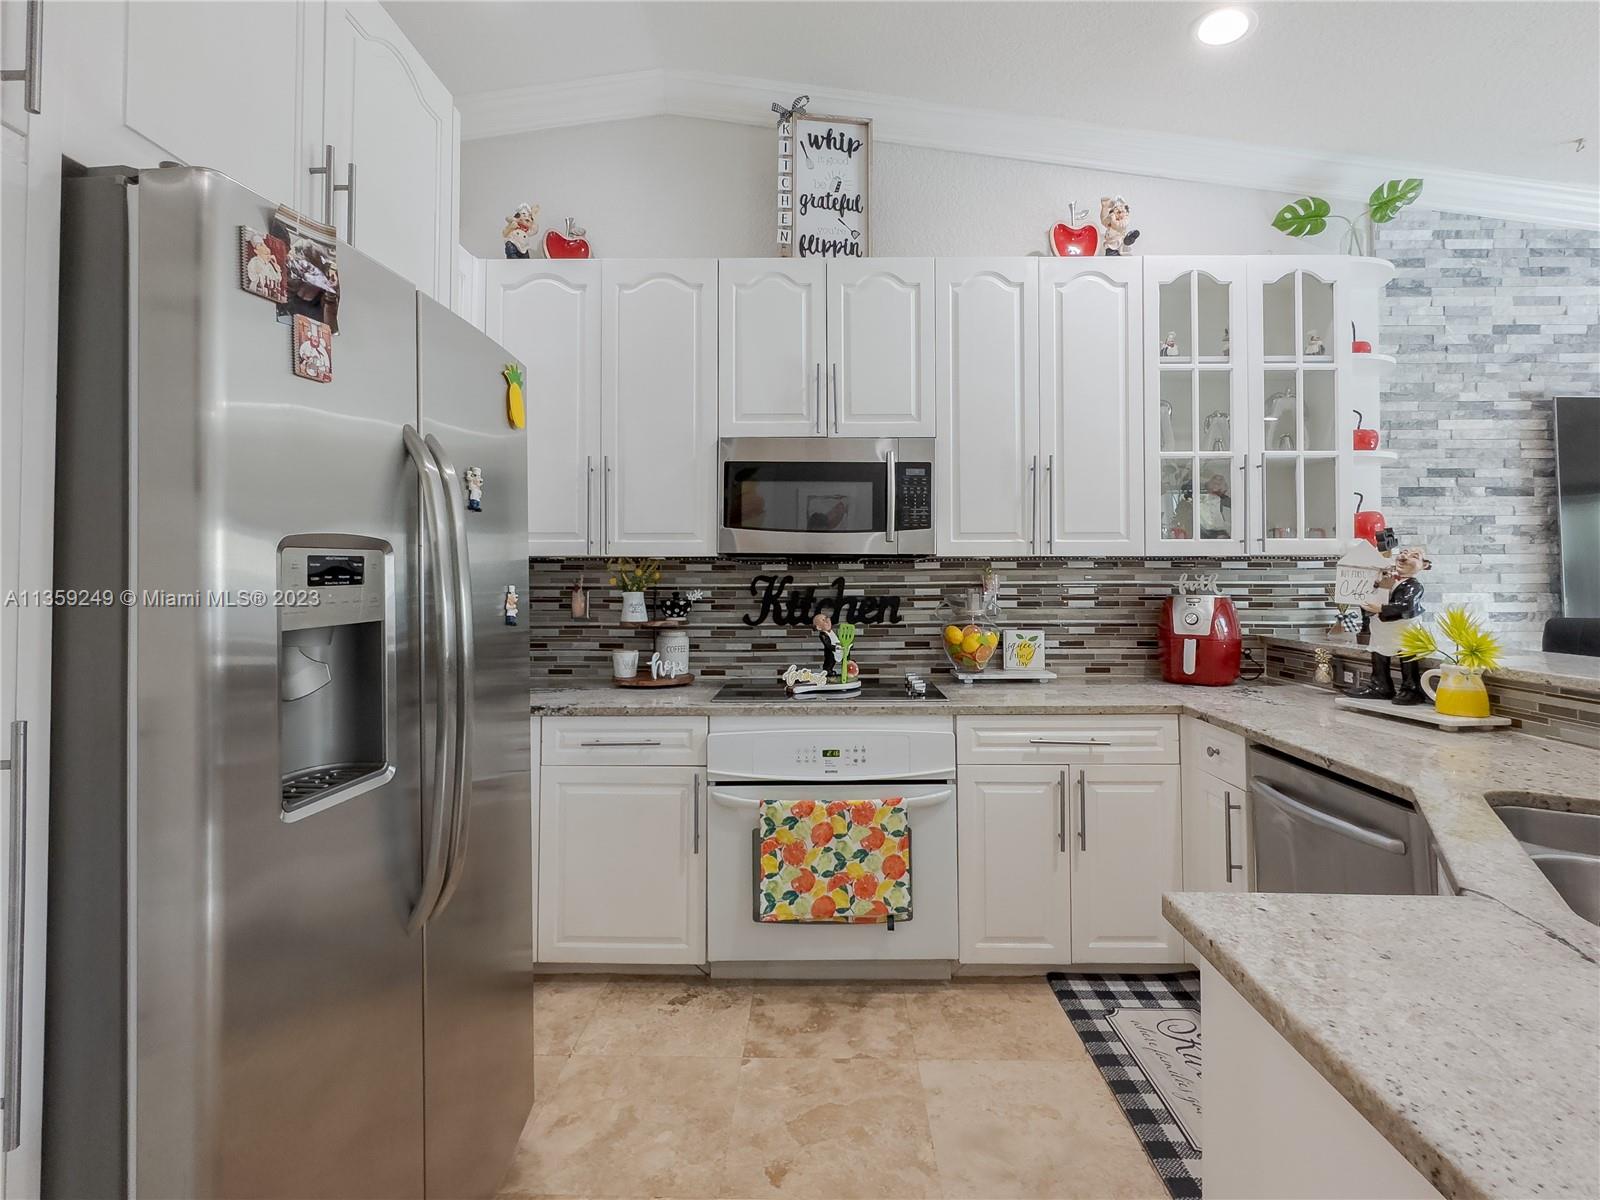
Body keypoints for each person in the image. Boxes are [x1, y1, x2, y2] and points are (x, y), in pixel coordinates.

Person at [1350, 546, 1431, 705]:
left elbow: (1406, 605)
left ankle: (1411, 689)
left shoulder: (1414, 586)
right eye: (1403, 553)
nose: (1404, 557)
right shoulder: (1386, 581)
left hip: (1404, 629)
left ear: (1425, 565)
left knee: (1407, 657)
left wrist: (1381, 609)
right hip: (1383, 629)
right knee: (1379, 654)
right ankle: (1380, 685)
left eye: (1414, 556)